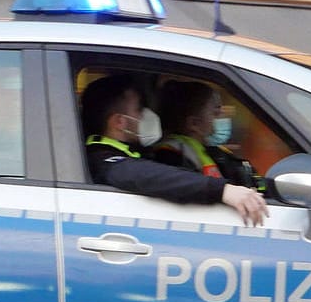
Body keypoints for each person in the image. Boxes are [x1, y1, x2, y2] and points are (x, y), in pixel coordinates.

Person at [81, 73, 267, 226]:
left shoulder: (129, 151)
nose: (147, 115)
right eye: (139, 109)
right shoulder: (102, 158)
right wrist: (223, 191)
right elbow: (141, 174)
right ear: (119, 122)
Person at [147, 79, 261, 190]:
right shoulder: (170, 155)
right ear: (194, 124)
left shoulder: (211, 151)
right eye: (215, 112)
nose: (222, 116)